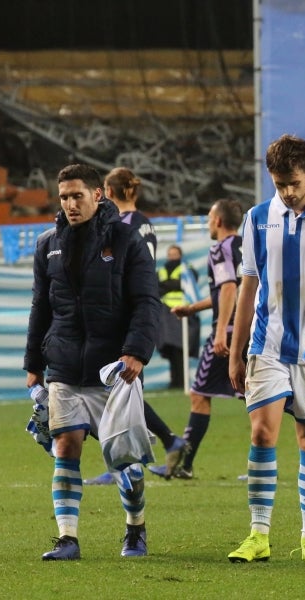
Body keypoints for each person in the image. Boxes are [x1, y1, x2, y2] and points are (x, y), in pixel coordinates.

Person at [227, 134, 305, 563]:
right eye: (280, 184)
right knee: (262, 432)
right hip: (267, 343)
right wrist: (235, 345)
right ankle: (258, 534)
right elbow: (248, 285)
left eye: (294, 184)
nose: (287, 192)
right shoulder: (257, 218)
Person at [24, 163, 162, 560]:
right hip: (64, 366)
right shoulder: (48, 244)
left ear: (97, 194)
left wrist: (135, 352)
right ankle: (68, 538)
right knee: (66, 445)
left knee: (124, 457)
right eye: (64, 196)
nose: (69, 203)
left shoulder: (126, 240)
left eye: (77, 196)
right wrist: (33, 361)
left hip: (112, 369)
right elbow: (40, 307)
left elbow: (146, 302)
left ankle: (135, 529)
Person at [85, 168, 189, 485]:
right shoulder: (145, 222)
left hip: (123, 315)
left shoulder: (123, 225)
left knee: (115, 392)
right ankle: (167, 440)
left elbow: (116, 270)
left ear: (109, 192)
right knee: (125, 391)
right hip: (140, 313)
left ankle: (125, 463)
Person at [148, 199, 246, 480]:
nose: (207, 224)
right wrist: (192, 308)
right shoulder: (245, 248)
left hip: (227, 334)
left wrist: (220, 330)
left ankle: (183, 464)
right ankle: (261, 466)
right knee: (255, 397)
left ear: (217, 221)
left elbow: (228, 290)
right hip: (251, 330)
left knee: (199, 396)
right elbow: (232, 291)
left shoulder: (219, 249)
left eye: (208, 218)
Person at [157, 244, 201, 389]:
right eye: (170, 254)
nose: (172, 257)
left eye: (175, 254)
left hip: (183, 312)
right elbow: (156, 286)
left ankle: (182, 381)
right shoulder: (162, 270)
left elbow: (189, 282)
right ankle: (175, 381)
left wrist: (167, 285)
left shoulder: (186, 268)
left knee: (181, 348)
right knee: (170, 348)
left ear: (180, 255)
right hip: (166, 313)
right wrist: (173, 284)